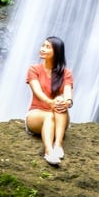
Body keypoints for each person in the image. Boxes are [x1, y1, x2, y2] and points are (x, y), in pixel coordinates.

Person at [25, 36, 73, 165]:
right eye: (43, 46)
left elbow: (68, 93)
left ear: (56, 52)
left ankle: (58, 145)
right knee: (50, 114)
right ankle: (48, 151)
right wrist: (49, 102)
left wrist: (67, 102)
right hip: (36, 115)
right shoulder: (34, 69)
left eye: (47, 47)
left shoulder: (66, 73)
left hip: (59, 116)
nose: (42, 49)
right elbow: (37, 91)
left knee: (59, 100)